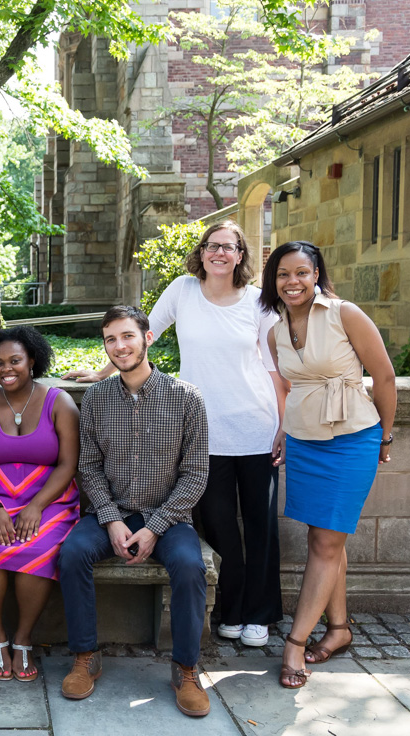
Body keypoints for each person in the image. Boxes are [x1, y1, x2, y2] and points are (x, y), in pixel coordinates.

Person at [64, 221, 287, 647]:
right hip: (204, 432)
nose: (219, 253)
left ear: (241, 255)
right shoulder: (183, 290)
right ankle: (230, 610)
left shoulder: (259, 303)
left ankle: (259, 614)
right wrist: (101, 373)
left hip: (255, 427)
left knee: (260, 525)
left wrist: (283, 426)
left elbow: (274, 370)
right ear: (201, 252)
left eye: (229, 247)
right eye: (212, 246)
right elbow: (141, 335)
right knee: (220, 526)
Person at [58, 306, 211, 717]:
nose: (119, 346)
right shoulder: (96, 398)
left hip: (170, 516)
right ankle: (86, 656)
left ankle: (185, 667)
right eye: (110, 339)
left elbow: (196, 475)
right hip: (111, 512)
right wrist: (109, 519)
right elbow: (87, 467)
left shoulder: (187, 398)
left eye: (127, 336)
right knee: (71, 555)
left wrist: (155, 528)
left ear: (147, 338)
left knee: (190, 568)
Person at [261, 242, 396, 689]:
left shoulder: (344, 314)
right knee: (323, 536)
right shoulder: (275, 331)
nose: (292, 282)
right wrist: (284, 428)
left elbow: (385, 375)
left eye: (302, 272)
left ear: (316, 274)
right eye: (283, 274)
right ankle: (339, 630)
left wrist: (385, 434)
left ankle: (295, 644)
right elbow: (290, 387)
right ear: (273, 280)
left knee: (325, 542)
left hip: (352, 437)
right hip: (304, 439)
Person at [0, 326, 80, 682]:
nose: (6, 369)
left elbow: (69, 464)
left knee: (37, 543)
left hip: (48, 495)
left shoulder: (59, 402)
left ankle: (23, 638)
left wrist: (37, 505)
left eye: (15, 361)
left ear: (32, 361)